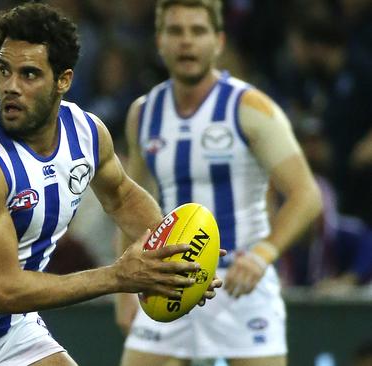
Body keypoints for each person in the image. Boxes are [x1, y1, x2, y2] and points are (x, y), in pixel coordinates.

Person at [0, 3, 223, 365]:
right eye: (4, 70)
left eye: (29, 74)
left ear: (63, 80)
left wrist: (175, 262)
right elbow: (5, 289)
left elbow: (121, 197)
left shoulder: (86, 133)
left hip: (9, 332)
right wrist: (119, 277)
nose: (11, 87)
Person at [116, 1, 322, 365]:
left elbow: (306, 195)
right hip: (168, 281)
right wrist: (125, 290)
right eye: (176, 31)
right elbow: (128, 204)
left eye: (198, 31)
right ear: (159, 41)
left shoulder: (250, 107)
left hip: (242, 284)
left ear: (219, 41)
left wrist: (263, 255)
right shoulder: (143, 113)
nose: (186, 42)